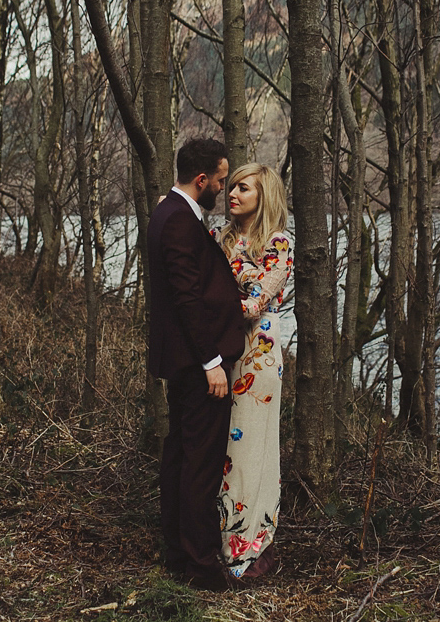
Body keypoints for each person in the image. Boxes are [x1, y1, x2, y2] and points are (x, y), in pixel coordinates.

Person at [147, 138, 247, 592]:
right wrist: (211, 362)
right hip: (196, 362)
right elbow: (187, 299)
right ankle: (202, 567)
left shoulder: (171, 213)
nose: (223, 190)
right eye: (222, 181)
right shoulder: (179, 221)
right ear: (201, 179)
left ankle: (178, 553)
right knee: (200, 464)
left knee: (183, 456)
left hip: (184, 359)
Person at [213, 162, 292, 580]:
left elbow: (255, 302)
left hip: (257, 356)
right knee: (223, 447)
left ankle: (249, 546)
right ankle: (220, 538)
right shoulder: (221, 237)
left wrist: (233, 268)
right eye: (233, 186)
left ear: (264, 196)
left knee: (251, 449)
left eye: (244, 188)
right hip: (224, 352)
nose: (234, 193)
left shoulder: (278, 243)